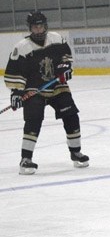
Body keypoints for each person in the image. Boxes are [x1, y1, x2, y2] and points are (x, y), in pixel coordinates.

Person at [4, 11, 89, 175]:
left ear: (45, 25)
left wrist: (65, 69)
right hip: (34, 90)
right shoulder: (21, 48)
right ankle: (26, 159)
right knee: (33, 120)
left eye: (40, 26)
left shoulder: (56, 39)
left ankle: (76, 153)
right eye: (35, 27)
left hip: (57, 86)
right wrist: (16, 93)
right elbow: (15, 72)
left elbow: (66, 59)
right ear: (30, 28)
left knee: (71, 116)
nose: (38, 29)